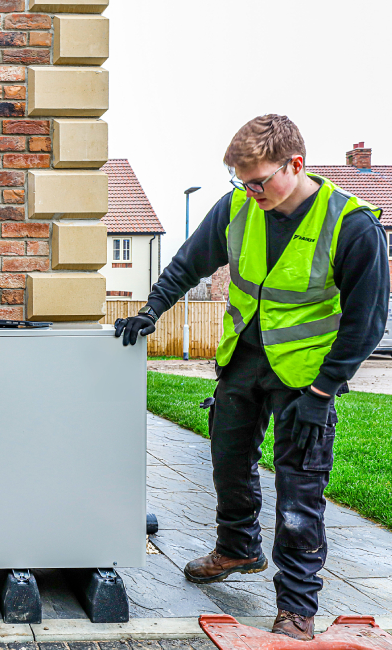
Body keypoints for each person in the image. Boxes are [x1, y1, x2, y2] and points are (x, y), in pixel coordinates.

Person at [115, 115, 389, 640]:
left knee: (299, 492)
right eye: (241, 182)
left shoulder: (351, 225)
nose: (250, 191)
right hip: (243, 360)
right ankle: (238, 549)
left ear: (296, 165)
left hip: (306, 379)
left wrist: (322, 392)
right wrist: (151, 311)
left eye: (259, 181)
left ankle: (297, 608)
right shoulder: (239, 207)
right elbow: (187, 263)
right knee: (228, 460)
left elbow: (366, 323)